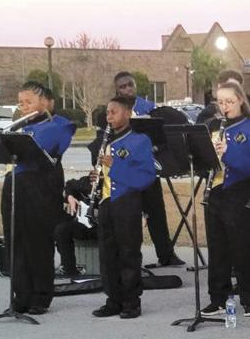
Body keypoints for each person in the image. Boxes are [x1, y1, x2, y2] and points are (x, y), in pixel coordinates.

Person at [0, 81, 75, 315]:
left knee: (37, 241)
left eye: (29, 102)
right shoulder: (20, 126)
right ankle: (21, 295)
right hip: (16, 183)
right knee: (16, 240)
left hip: (40, 185)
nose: (23, 106)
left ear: (44, 102)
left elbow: (47, 148)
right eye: (21, 102)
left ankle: (41, 296)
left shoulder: (60, 125)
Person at [200, 83, 250, 317]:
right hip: (215, 190)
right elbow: (202, 161)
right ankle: (218, 298)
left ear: (240, 99)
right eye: (220, 102)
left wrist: (227, 152)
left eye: (229, 101)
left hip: (241, 189)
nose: (224, 106)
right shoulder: (211, 127)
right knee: (217, 247)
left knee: (244, 246)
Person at [90, 96, 156, 319]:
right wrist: (97, 177)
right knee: (107, 253)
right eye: (107, 112)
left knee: (128, 252)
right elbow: (106, 173)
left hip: (127, 200)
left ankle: (131, 301)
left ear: (128, 113)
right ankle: (113, 299)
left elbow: (146, 176)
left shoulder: (140, 141)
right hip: (107, 201)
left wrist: (115, 166)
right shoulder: (105, 141)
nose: (109, 117)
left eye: (114, 112)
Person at [113, 71, 184, 267]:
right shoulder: (113, 110)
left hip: (146, 167)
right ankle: (128, 258)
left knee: (156, 211)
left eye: (130, 85)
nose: (127, 89)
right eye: (123, 86)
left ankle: (166, 254)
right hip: (124, 170)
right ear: (116, 89)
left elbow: (161, 137)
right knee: (128, 214)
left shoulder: (149, 108)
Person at [53, 176, 96, 277]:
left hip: (104, 225)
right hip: (84, 224)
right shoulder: (86, 182)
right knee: (61, 230)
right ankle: (69, 269)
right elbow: (70, 184)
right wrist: (70, 197)